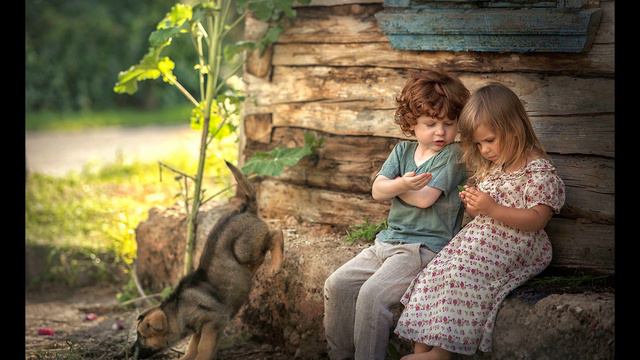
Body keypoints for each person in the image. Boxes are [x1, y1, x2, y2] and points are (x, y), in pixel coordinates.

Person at [393, 82, 566, 360]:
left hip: (518, 243)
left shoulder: (538, 171)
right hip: (483, 240)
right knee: (437, 271)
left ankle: (442, 351)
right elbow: (486, 212)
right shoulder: (497, 167)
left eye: (489, 140)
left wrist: (493, 208)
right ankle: (421, 347)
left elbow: (537, 219)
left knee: (461, 276)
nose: (484, 150)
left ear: (514, 128)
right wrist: (476, 206)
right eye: (478, 144)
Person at [323, 69, 470, 360]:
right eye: (430, 123)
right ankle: (339, 355)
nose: (440, 132)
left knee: (372, 295)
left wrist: (394, 187)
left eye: (448, 123)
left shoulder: (453, 156)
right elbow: (377, 191)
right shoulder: (402, 151)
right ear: (411, 123)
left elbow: (425, 198)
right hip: (386, 243)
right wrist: (401, 184)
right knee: (337, 284)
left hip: (422, 249)